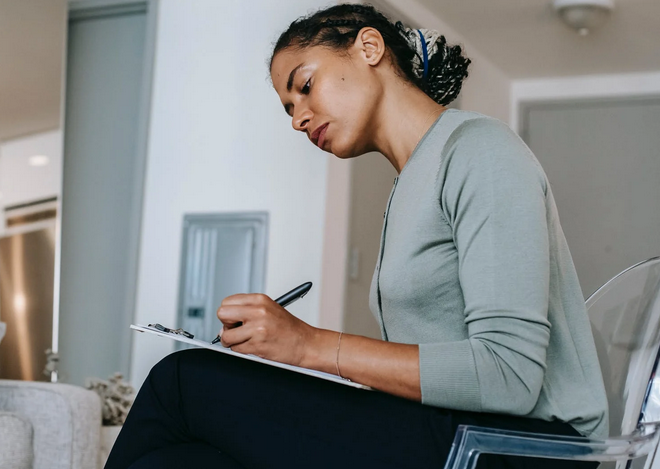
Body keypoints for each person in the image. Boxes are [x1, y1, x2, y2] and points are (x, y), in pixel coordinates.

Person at [105, 4, 608, 469]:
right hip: (455, 430)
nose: (299, 119)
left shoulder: (480, 150)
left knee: (183, 382)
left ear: (369, 49)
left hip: (524, 447)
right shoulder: (408, 184)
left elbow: (510, 376)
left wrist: (306, 346)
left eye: (305, 86)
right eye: (288, 109)